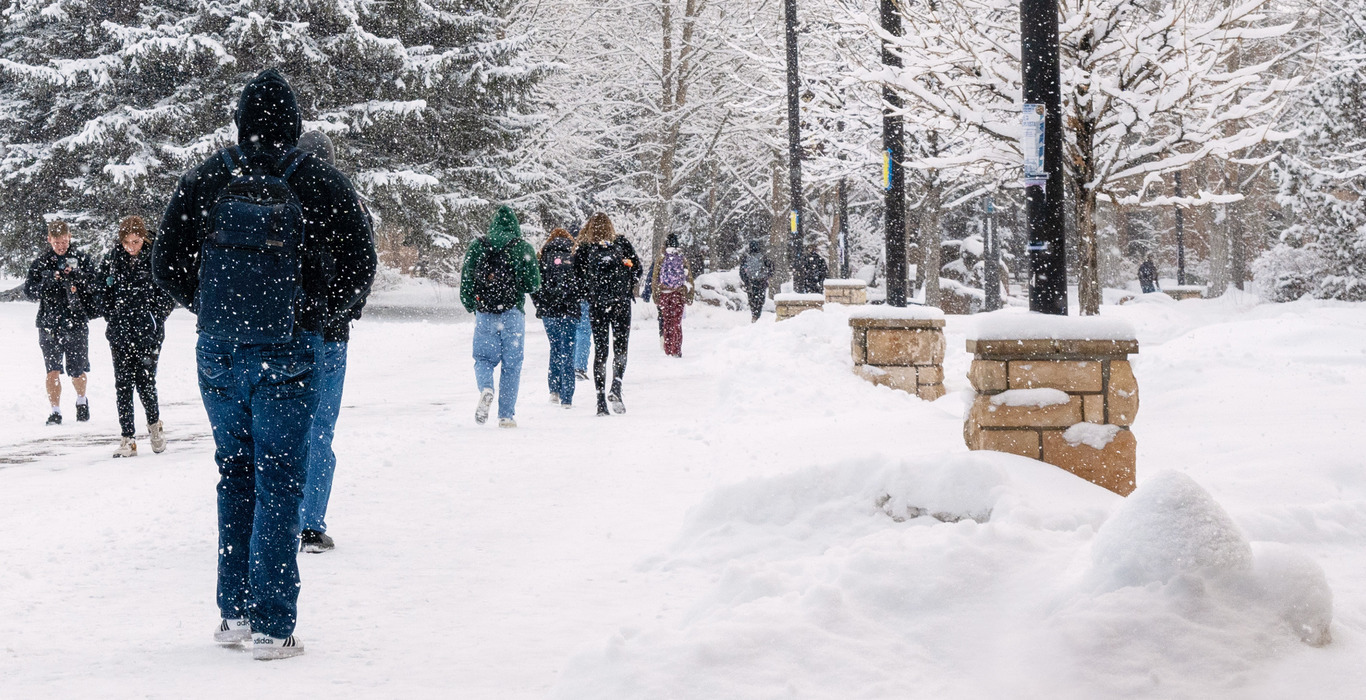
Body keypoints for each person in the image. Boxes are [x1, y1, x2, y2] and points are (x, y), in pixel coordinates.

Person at [153, 69, 376, 661]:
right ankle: (273, 625)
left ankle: (233, 612)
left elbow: (165, 260)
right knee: (280, 478)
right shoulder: (318, 180)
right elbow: (361, 264)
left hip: (219, 351)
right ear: (295, 123)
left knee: (236, 473)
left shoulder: (209, 176)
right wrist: (318, 312)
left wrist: (208, 305)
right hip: (287, 351)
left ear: (241, 120)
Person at [295, 130, 372, 555]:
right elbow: (365, 264)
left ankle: (277, 516)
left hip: (283, 331)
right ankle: (311, 524)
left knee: (277, 430)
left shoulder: (279, 195)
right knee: (320, 429)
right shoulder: (348, 202)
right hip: (330, 333)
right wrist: (341, 308)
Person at [97, 216, 175, 457]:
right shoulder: (111, 260)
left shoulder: (156, 258)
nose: (132, 247)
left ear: (144, 238)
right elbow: (101, 291)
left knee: (145, 381)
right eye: (127, 242)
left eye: (136, 241)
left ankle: (154, 425)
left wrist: (154, 317)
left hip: (148, 333)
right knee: (122, 384)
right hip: (120, 332)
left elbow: (168, 293)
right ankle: (127, 437)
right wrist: (112, 314)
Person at [460, 205, 541, 428]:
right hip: (512, 312)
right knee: (512, 365)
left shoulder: (478, 246)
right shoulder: (522, 247)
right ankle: (506, 415)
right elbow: (533, 284)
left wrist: (470, 303)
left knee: (483, 359)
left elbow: (466, 278)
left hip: (485, 312)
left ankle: (486, 388)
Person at [25, 221, 96, 425]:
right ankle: (55, 411)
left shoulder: (81, 258)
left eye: (64, 242)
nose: (61, 246)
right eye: (57, 242)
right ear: (49, 240)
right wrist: (48, 281)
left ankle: (81, 401)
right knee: (52, 370)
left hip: (76, 321)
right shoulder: (41, 262)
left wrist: (77, 277)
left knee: (77, 370)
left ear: (69, 237)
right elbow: (29, 291)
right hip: (49, 323)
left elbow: (95, 285)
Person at [573, 212, 642, 416]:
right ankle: (617, 386)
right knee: (620, 347)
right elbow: (638, 268)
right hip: (621, 304)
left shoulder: (585, 248)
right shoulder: (621, 243)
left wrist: (589, 293)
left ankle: (600, 401)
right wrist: (628, 285)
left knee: (601, 351)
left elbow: (575, 277)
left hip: (598, 305)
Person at [531, 228, 582, 407]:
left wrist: (540, 304)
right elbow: (582, 283)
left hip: (549, 310)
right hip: (569, 310)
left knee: (555, 348)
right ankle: (567, 396)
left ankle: (554, 390)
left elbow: (535, 284)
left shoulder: (542, 256)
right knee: (568, 350)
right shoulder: (575, 256)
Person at [651, 233, 694, 357]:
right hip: (678, 293)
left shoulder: (661, 258)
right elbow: (689, 277)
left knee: (666, 321)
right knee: (677, 322)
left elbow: (655, 277)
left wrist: (656, 295)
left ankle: (668, 349)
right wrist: (689, 296)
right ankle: (676, 349)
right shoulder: (682, 258)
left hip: (665, 294)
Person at [738, 240, 773, 323]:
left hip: (751, 282)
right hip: (761, 282)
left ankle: (754, 315)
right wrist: (767, 276)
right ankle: (757, 315)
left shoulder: (746, 257)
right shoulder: (763, 257)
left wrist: (746, 280)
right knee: (760, 300)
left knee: (752, 299)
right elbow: (771, 268)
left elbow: (742, 271)